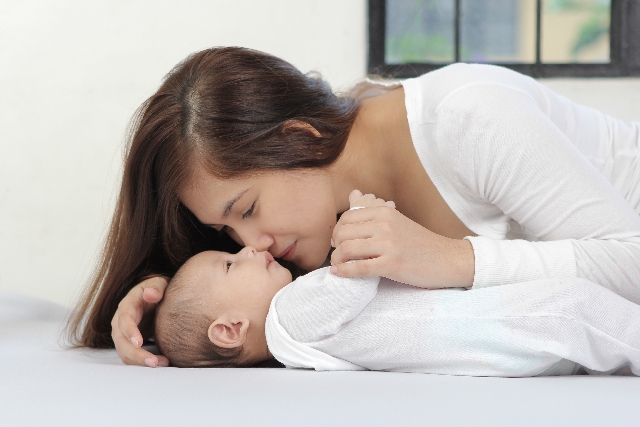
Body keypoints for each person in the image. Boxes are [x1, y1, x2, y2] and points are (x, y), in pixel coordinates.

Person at [68, 47, 640, 368]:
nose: (253, 246)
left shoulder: (470, 118)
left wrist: (450, 260)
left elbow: (631, 263)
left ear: (299, 137)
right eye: (224, 233)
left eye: (245, 208)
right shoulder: (318, 214)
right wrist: (164, 302)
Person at [154, 198, 640, 376]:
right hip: (487, 325)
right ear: (230, 329)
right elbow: (355, 279)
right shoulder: (288, 315)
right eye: (230, 265)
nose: (250, 250)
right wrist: (360, 224)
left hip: (485, 342)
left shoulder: (295, 342)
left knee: (579, 324)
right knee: (576, 305)